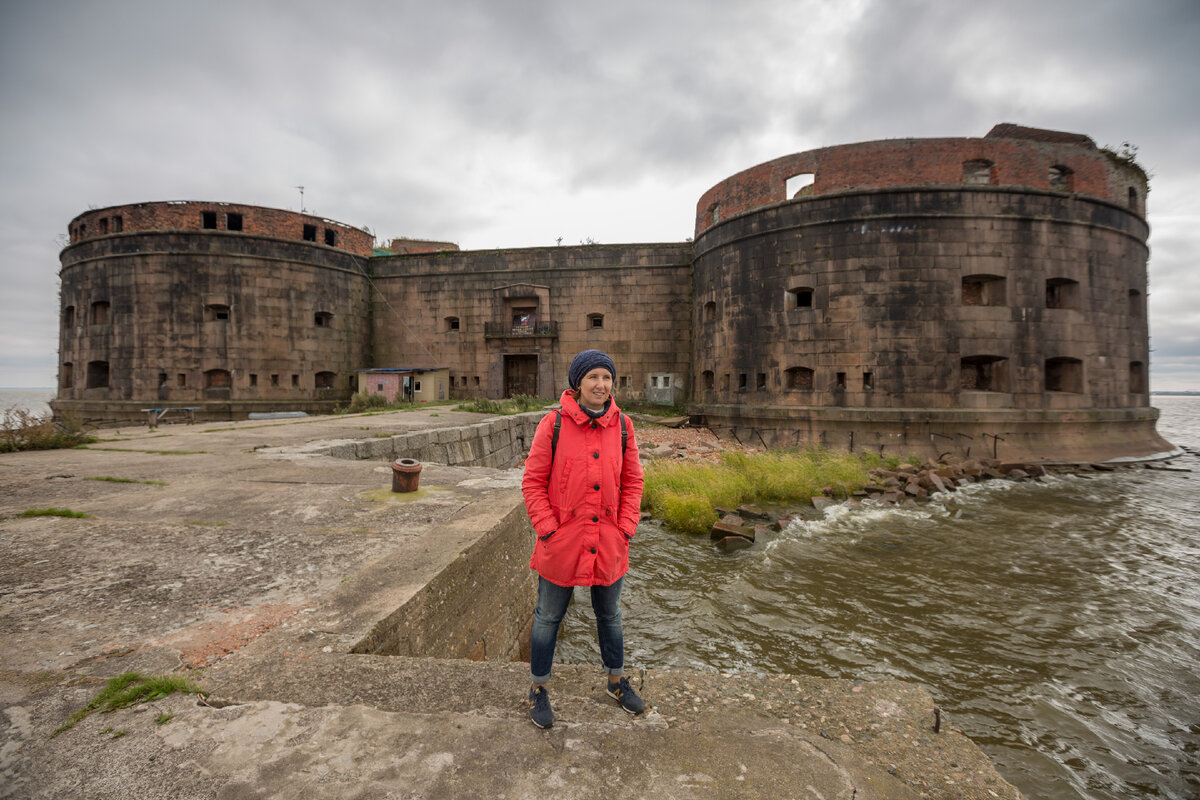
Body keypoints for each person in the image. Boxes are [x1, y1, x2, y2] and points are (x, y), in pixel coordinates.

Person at [520, 349, 646, 728]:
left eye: (607, 378)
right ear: (578, 383)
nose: (601, 385)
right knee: (547, 617)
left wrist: (625, 528)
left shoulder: (623, 426)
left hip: (608, 540)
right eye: (593, 377)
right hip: (562, 542)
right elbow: (533, 482)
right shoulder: (553, 424)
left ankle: (616, 681)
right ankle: (538, 688)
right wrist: (548, 529)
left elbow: (634, 482)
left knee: (610, 615)